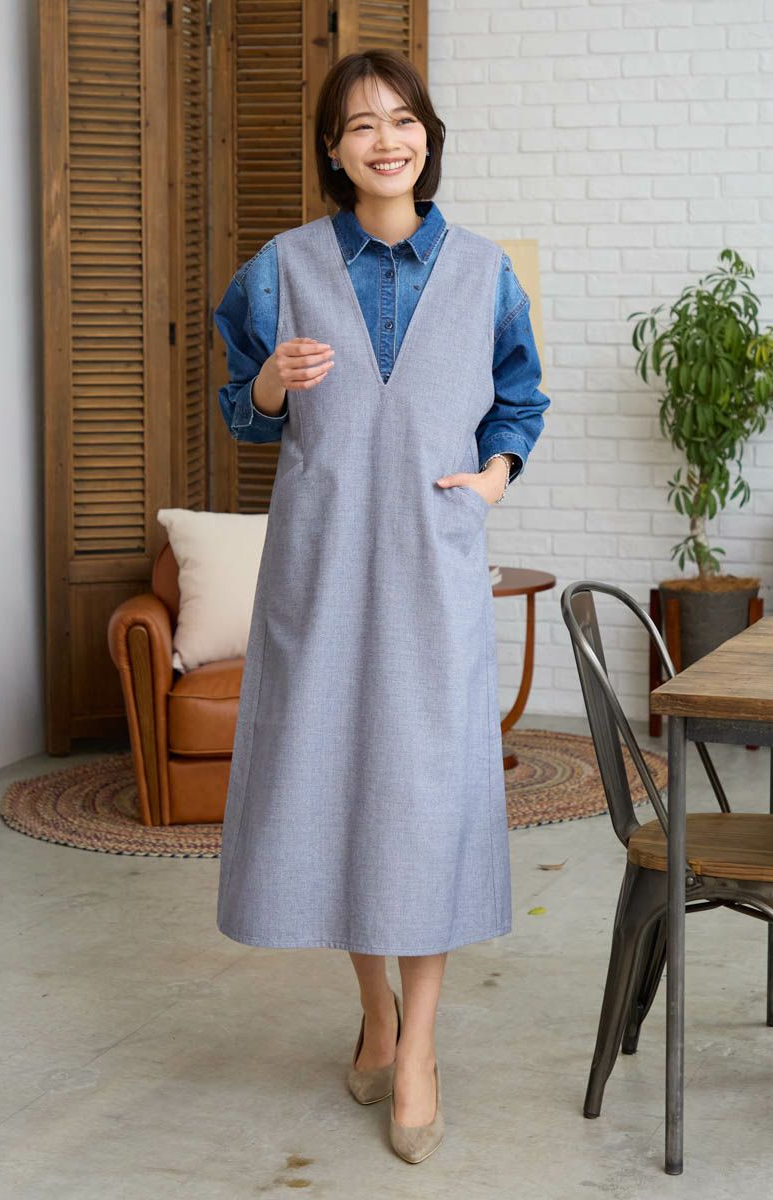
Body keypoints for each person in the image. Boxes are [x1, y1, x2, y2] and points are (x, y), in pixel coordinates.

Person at [212, 49, 550, 1164]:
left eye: (403, 121)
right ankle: (375, 1013)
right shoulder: (283, 267)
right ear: (333, 147)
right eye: (361, 125)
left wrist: (492, 479)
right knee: (339, 791)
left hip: (433, 567)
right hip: (319, 569)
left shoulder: (487, 270)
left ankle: (420, 1054)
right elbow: (242, 408)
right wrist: (272, 383)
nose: (385, 141)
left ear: (427, 137)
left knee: (426, 799)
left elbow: (520, 398)